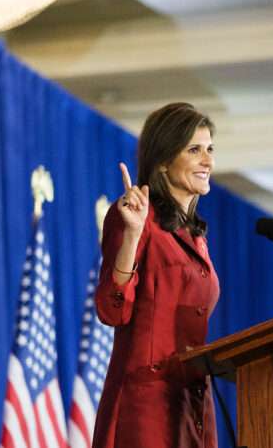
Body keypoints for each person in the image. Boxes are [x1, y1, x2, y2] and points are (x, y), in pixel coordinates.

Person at [92, 102, 219, 448]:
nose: (208, 161)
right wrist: (132, 235)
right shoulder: (133, 218)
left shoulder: (196, 237)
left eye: (210, 149)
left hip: (192, 404)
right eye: (195, 150)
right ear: (163, 161)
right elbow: (111, 309)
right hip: (145, 409)